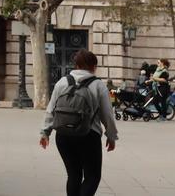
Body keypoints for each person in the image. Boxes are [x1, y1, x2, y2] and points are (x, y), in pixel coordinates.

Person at [40, 49, 118, 196]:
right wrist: (111, 136)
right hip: (88, 136)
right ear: (93, 66)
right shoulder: (98, 85)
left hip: (63, 136)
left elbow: (51, 109)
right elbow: (107, 114)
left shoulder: (62, 82)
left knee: (73, 175)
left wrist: (45, 132)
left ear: (75, 65)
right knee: (92, 176)